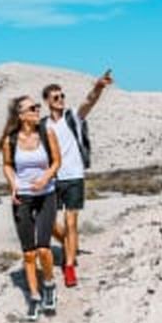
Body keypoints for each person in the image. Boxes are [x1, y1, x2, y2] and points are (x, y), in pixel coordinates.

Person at [42, 71, 113, 287]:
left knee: (71, 221)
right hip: (52, 179)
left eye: (62, 95)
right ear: (47, 101)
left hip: (74, 176)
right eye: (56, 97)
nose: (61, 99)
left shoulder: (74, 117)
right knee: (47, 223)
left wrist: (99, 87)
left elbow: (89, 101)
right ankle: (68, 243)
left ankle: (70, 266)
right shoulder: (43, 125)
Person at [0, 95, 62, 321]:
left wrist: (45, 177)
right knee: (28, 253)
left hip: (46, 195)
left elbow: (56, 161)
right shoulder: (10, 140)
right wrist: (13, 184)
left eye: (37, 107)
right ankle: (34, 297)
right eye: (32, 108)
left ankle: (49, 284)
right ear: (21, 115)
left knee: (44, 249)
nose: (38, 110)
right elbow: (7, 165)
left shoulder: (47, 134)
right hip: (22, 198)